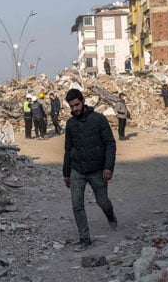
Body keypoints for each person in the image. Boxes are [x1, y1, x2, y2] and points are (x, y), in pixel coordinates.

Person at [63, 88, 117, 252]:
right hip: (77, 170)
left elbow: (110, 144)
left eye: (77, 105)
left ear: (83, 101)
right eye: (71, 107)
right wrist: (66, 172)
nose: (75, 109)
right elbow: (68, 149)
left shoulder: (99, 120)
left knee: (102, 201)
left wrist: (108, 167)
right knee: (77, 204)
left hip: (97, 170)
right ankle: (84, 239)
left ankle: (110, 215)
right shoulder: (70, 124)